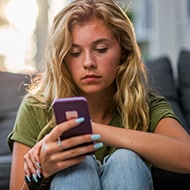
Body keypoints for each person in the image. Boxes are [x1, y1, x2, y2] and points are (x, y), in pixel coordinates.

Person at [8, 0, 190, 189]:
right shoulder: (37, 107)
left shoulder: (144, 104)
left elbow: (187, 157)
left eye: (101, 49)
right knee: (78, 166)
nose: (88, 62)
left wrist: (92, 129)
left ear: (124, 52)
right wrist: (42, 172)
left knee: (125, 160)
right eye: (75, 52)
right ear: (62, 59)